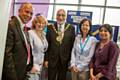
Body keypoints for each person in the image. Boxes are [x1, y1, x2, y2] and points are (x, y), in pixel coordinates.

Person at [2, 2, 33, 80]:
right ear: (19, 11)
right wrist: (12, 76)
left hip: (22, 71)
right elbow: (7, 54)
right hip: (13, 74)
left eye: (31, 13)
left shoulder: (24, 27)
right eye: (26, 11)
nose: (29, 15)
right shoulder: (11, 25)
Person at [44, 9, 75, 80]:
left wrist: (70, 60)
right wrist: (46, 59)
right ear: (56, 16)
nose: (60, 17)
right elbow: (47, 45)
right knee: (50, 78)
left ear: (66, 17)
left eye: (63, 15)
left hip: (64, 59)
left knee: (62, 78)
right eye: (59, 15)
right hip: (52, 59)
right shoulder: (50, 27)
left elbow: (72, 46)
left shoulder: (71, 28)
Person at [27, 14, 48, 80]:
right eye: (38, 22)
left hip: (41, 66)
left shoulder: (44, 35)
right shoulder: (30, 33)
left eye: (42, 23)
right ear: (35, 23)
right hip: (33, 66)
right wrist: (31, 67)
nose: (40, 24)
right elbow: (28, 51)